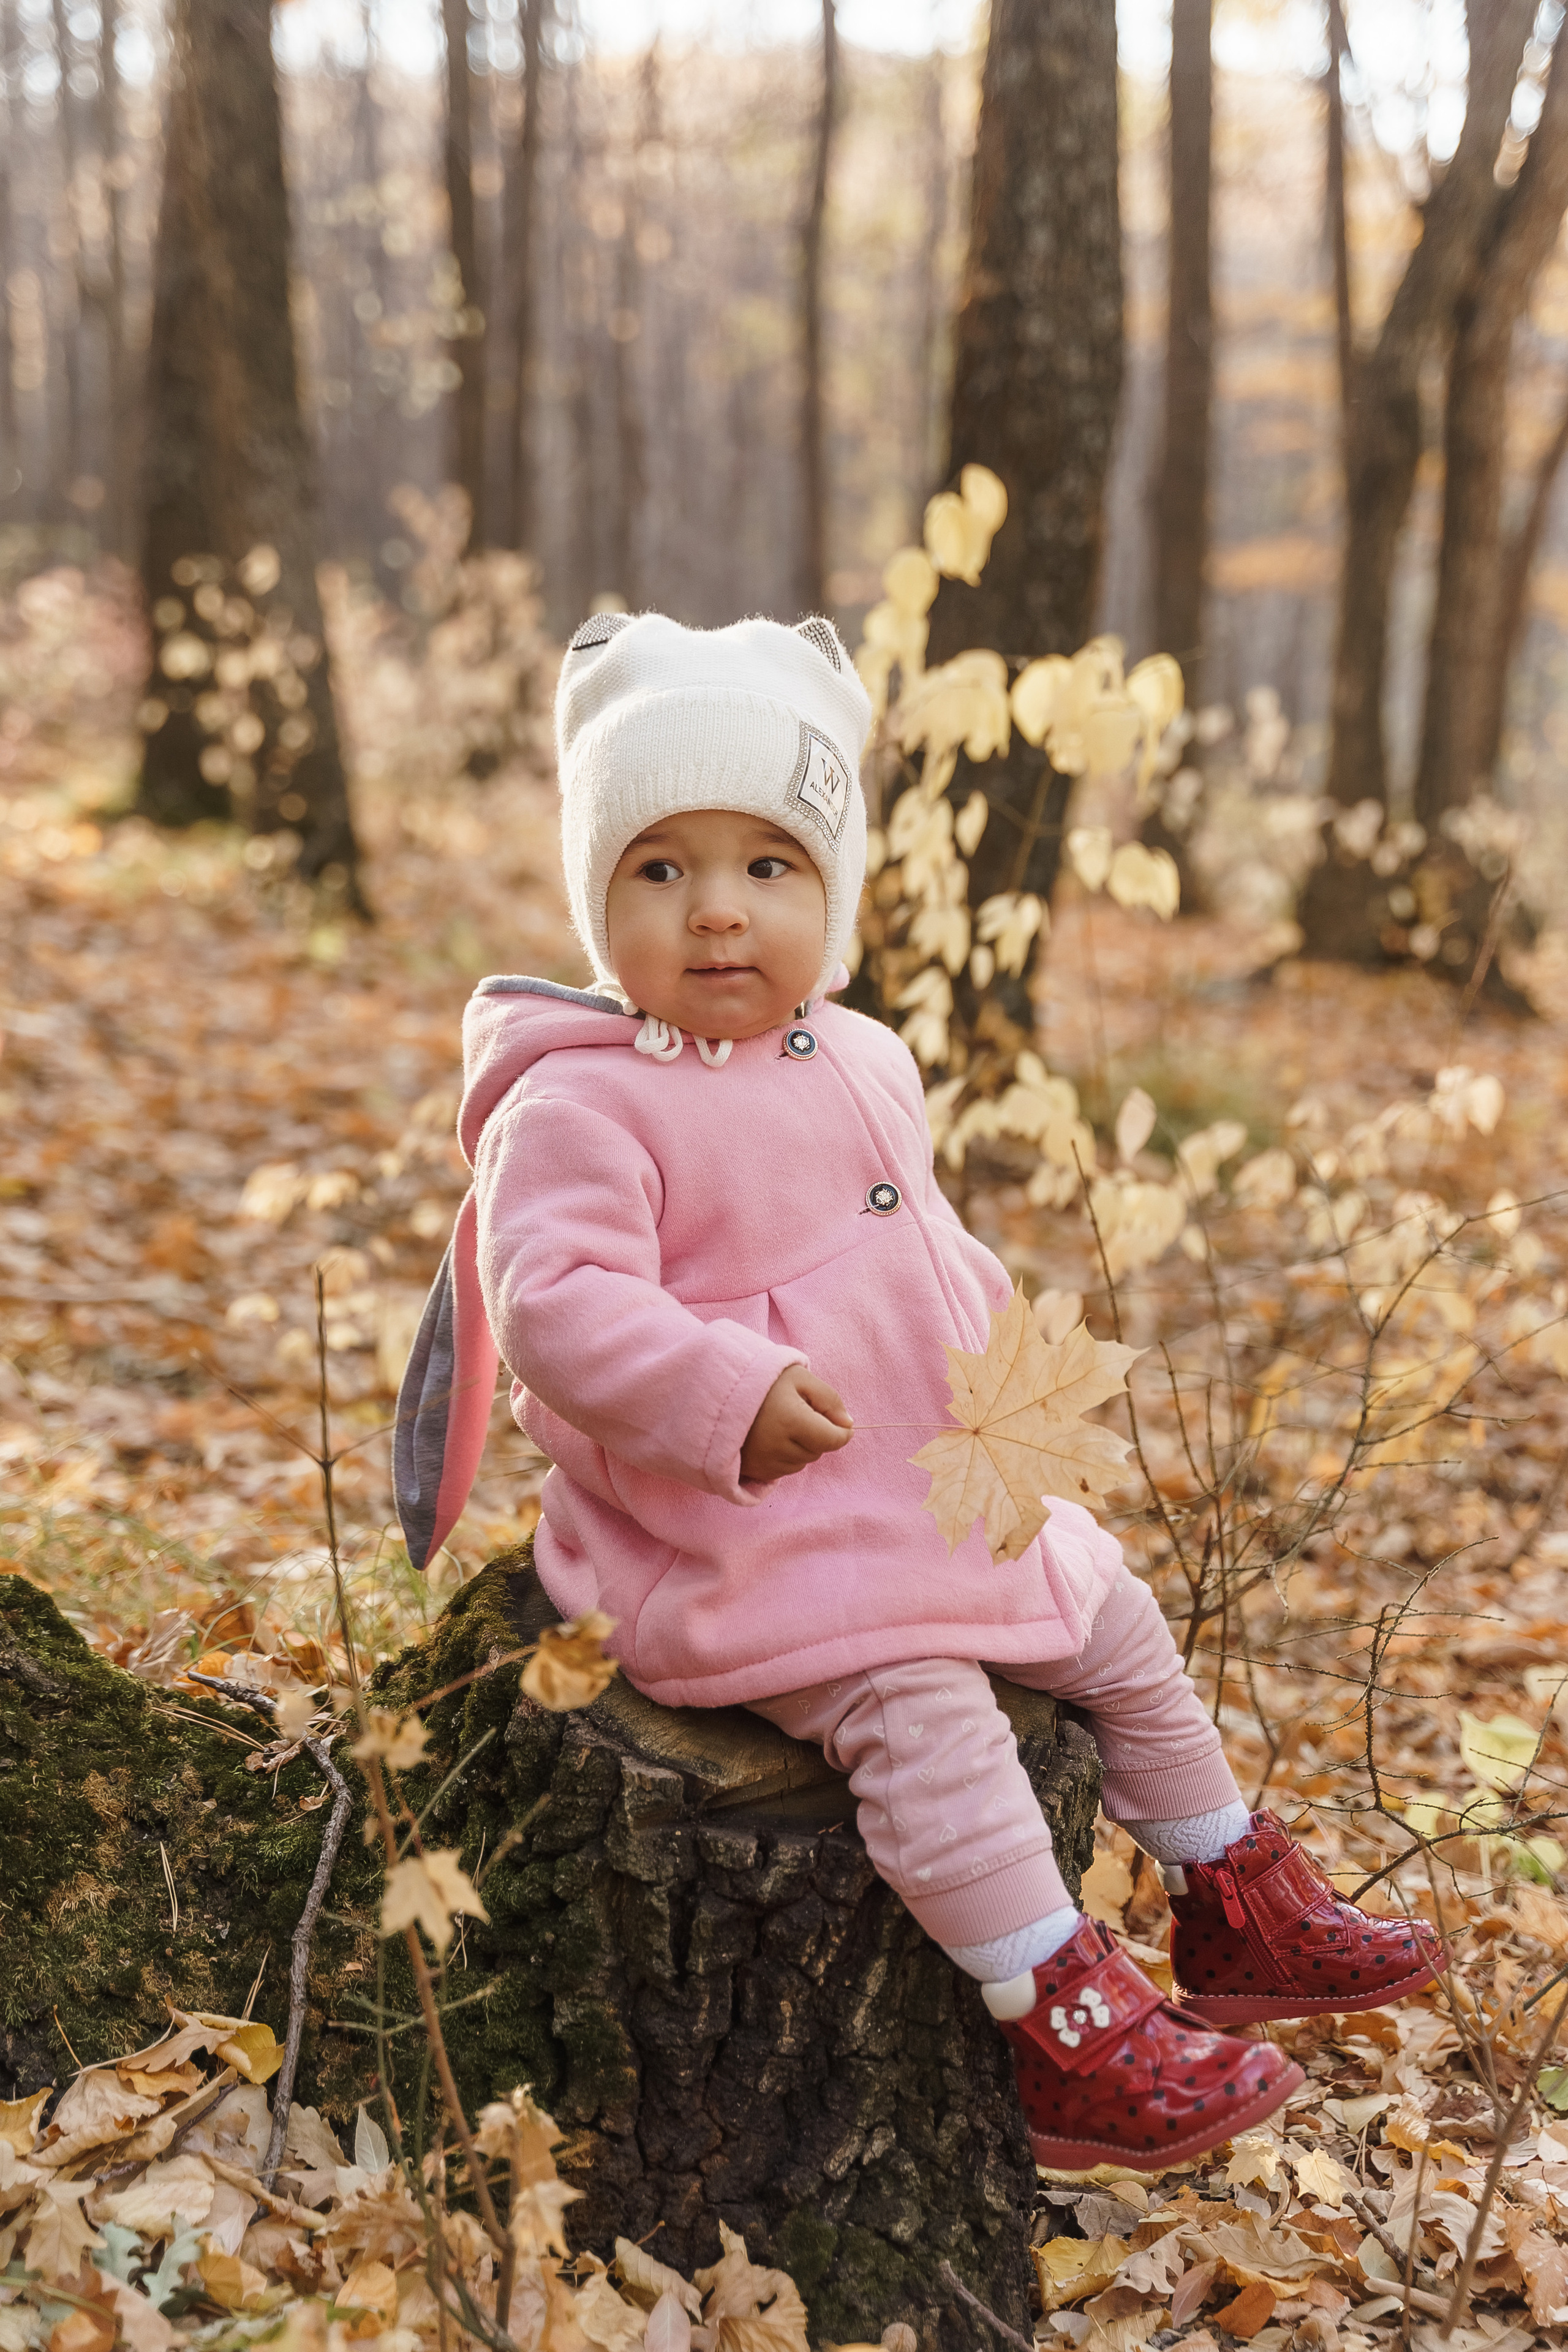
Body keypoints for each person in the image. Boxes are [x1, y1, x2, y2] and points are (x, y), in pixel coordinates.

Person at [396, 611, 1438, 2171]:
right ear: (595, 894)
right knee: (926, 1714)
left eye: (768, 866)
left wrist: (995, 1360)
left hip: (920, 1484)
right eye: (658, 868)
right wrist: (718, 1385)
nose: (717, 913)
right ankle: (1055, 2019)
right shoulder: (578, 1104)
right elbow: (553, 1305)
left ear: (834, 888)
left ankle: (1231, 1895)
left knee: (1117, 1621)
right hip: (741, 1531)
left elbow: (919, 1242)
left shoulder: (864, 1054)